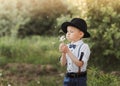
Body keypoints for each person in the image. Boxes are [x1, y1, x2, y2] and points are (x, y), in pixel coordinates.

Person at [59, 18, 91, 86]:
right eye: (67, 31)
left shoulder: (84, 47)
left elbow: (79, 64)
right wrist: (63, 52)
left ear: (81, 34)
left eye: (71, 32)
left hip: (79, 78)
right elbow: (63, 63)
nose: (68, 34)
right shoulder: (67, 46)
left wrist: (68, 51)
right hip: (68, 77)